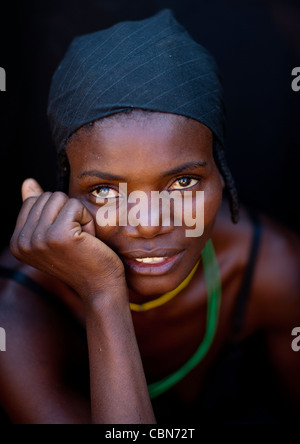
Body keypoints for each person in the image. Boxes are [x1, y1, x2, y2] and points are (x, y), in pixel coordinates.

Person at [0, 9, 299, 424]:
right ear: (65, 191)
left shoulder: (270, 270)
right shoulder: (18, 310)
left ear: (222, 175)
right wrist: (104, 294)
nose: (149, 222)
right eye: (105, 190)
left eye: (182, 182)